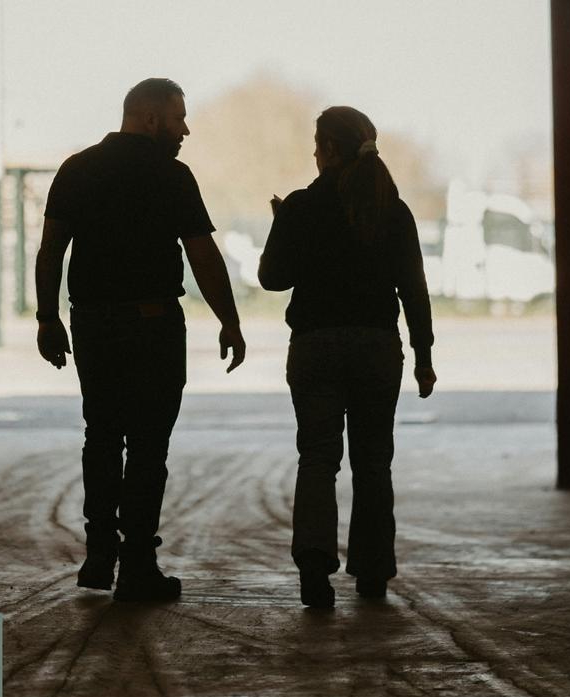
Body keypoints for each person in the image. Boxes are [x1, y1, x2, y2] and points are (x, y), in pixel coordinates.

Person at [35, 78, 246, 602]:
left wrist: (47, 317)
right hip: (153, 326)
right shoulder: (171, 175)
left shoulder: (77, 168)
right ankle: (137, 567)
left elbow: (50, 252)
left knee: (101, 436)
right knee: (148, 445)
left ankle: (99, 554)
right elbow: (202, 255)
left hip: (92, 324)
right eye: (179, 118)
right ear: (151, 118)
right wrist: (230, 321)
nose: (185, 129)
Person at [259, 105, 437, 609]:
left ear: (330, 149)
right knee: (373, 462)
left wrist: (283, 225)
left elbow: (272, 278)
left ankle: (314, 569)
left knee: (318, 458)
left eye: (317, 145)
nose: (313, 154)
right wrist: (424, 354)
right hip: (378, 349)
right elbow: (414, 290)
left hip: (315, 347)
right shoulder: (391, 208)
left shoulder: (301, 206)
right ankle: (373, 573)